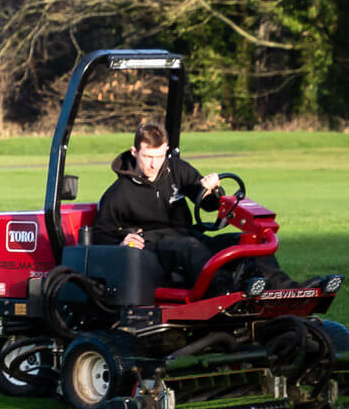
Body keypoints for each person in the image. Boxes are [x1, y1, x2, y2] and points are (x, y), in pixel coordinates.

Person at [94, 118, 289, 291]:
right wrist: (120, 242)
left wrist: (212, 190)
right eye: (148, 157)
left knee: (251, 242)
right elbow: (100, 233)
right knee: (190, 247)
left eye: (159, 157)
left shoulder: (177, 170)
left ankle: (285, 291)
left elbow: (208, 204)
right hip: (153, 245)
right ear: (135, 152)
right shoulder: (119, 193)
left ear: (166, 150)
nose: (153, 164)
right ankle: (227, 294)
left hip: (189, 236)